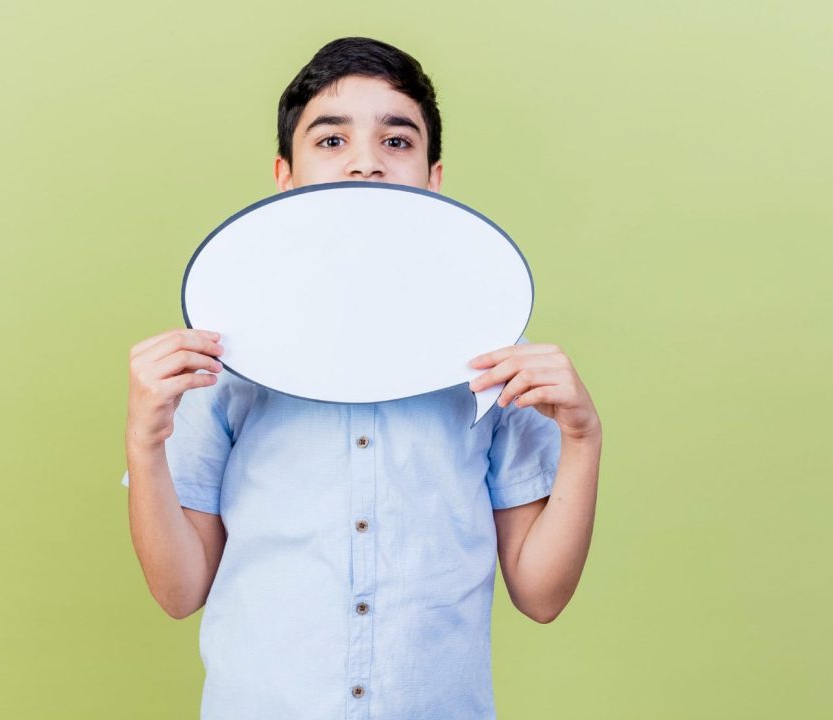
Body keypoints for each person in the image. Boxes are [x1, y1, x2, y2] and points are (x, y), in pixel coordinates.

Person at [121, 36, 601, 719]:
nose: (367, 163)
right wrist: (143, 443)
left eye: (398, 142)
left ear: (435, 180)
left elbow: (542, 594)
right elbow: (179, 590)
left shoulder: (494, 353)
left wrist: (584, 438)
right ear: (285, 177)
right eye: (331, 140)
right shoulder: (224, 352)